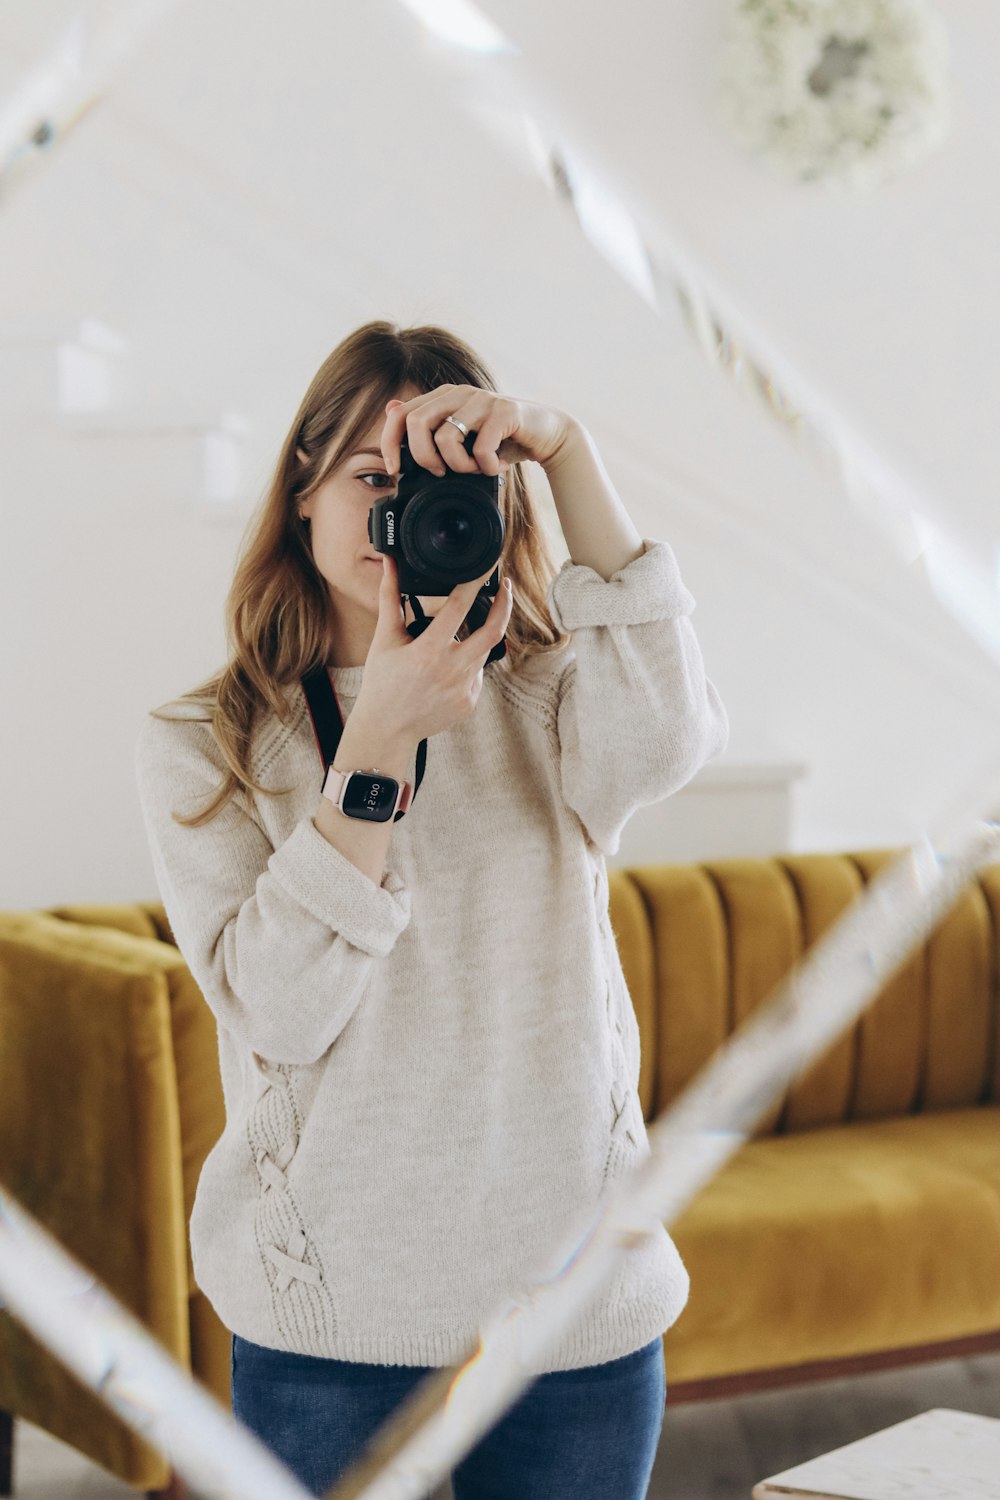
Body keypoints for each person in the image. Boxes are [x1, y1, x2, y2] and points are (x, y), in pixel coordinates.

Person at [134, 318, 729, 1499]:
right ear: (299, 497)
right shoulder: (206, 745)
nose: (398, 509)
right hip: (330, 1321)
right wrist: (380, 738)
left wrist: (567, 454)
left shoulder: (553, 693)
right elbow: (279, 1012)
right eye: (369, 478)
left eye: (443, 485)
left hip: (574, 1305)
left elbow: (667, 738)